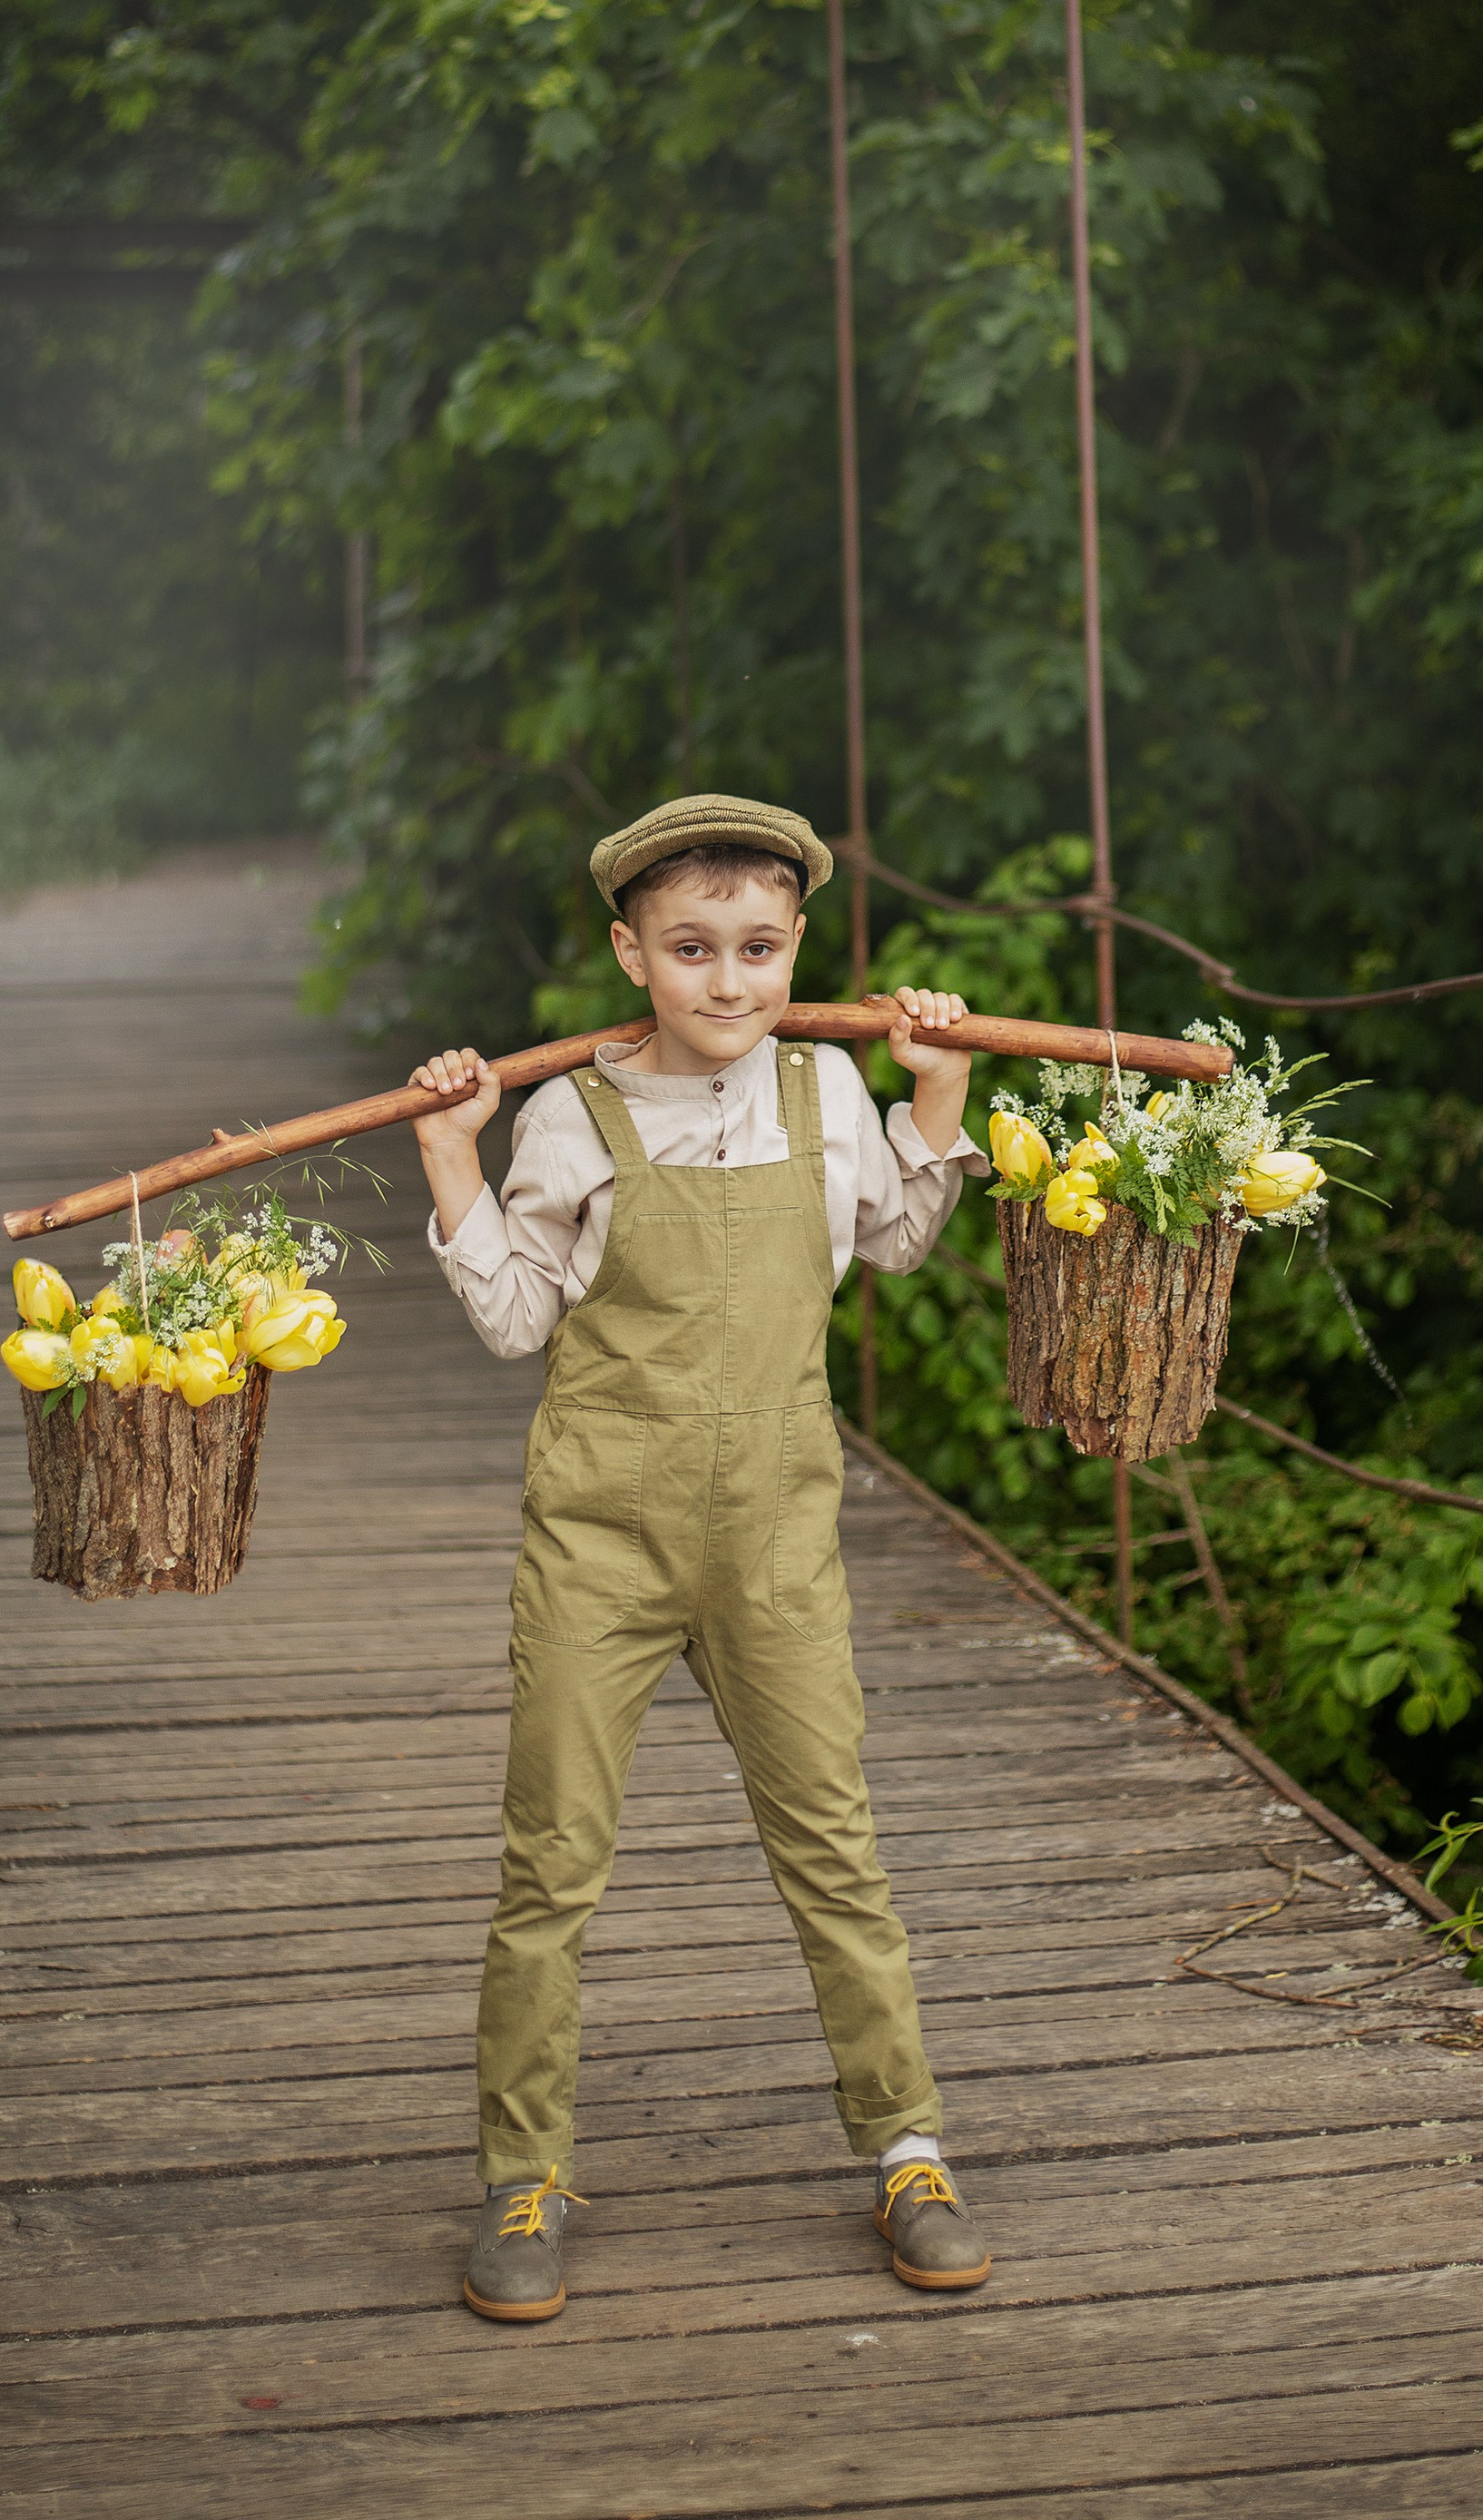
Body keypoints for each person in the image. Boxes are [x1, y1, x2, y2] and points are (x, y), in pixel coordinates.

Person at [411, 789, 994, 2322]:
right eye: (689, 950)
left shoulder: (826, 1096)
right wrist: (451, 1162)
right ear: (631, 956)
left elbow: (895, 1240)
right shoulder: (570, 1118)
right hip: (600, 1540)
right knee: (550, 1866)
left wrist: (930, 1099)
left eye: (755, 949)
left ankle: (909, 2148)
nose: (725, 982)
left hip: (778, 1543)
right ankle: (522, 2176)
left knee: (835, 1847)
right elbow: (518, 1317)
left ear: (798, 949)